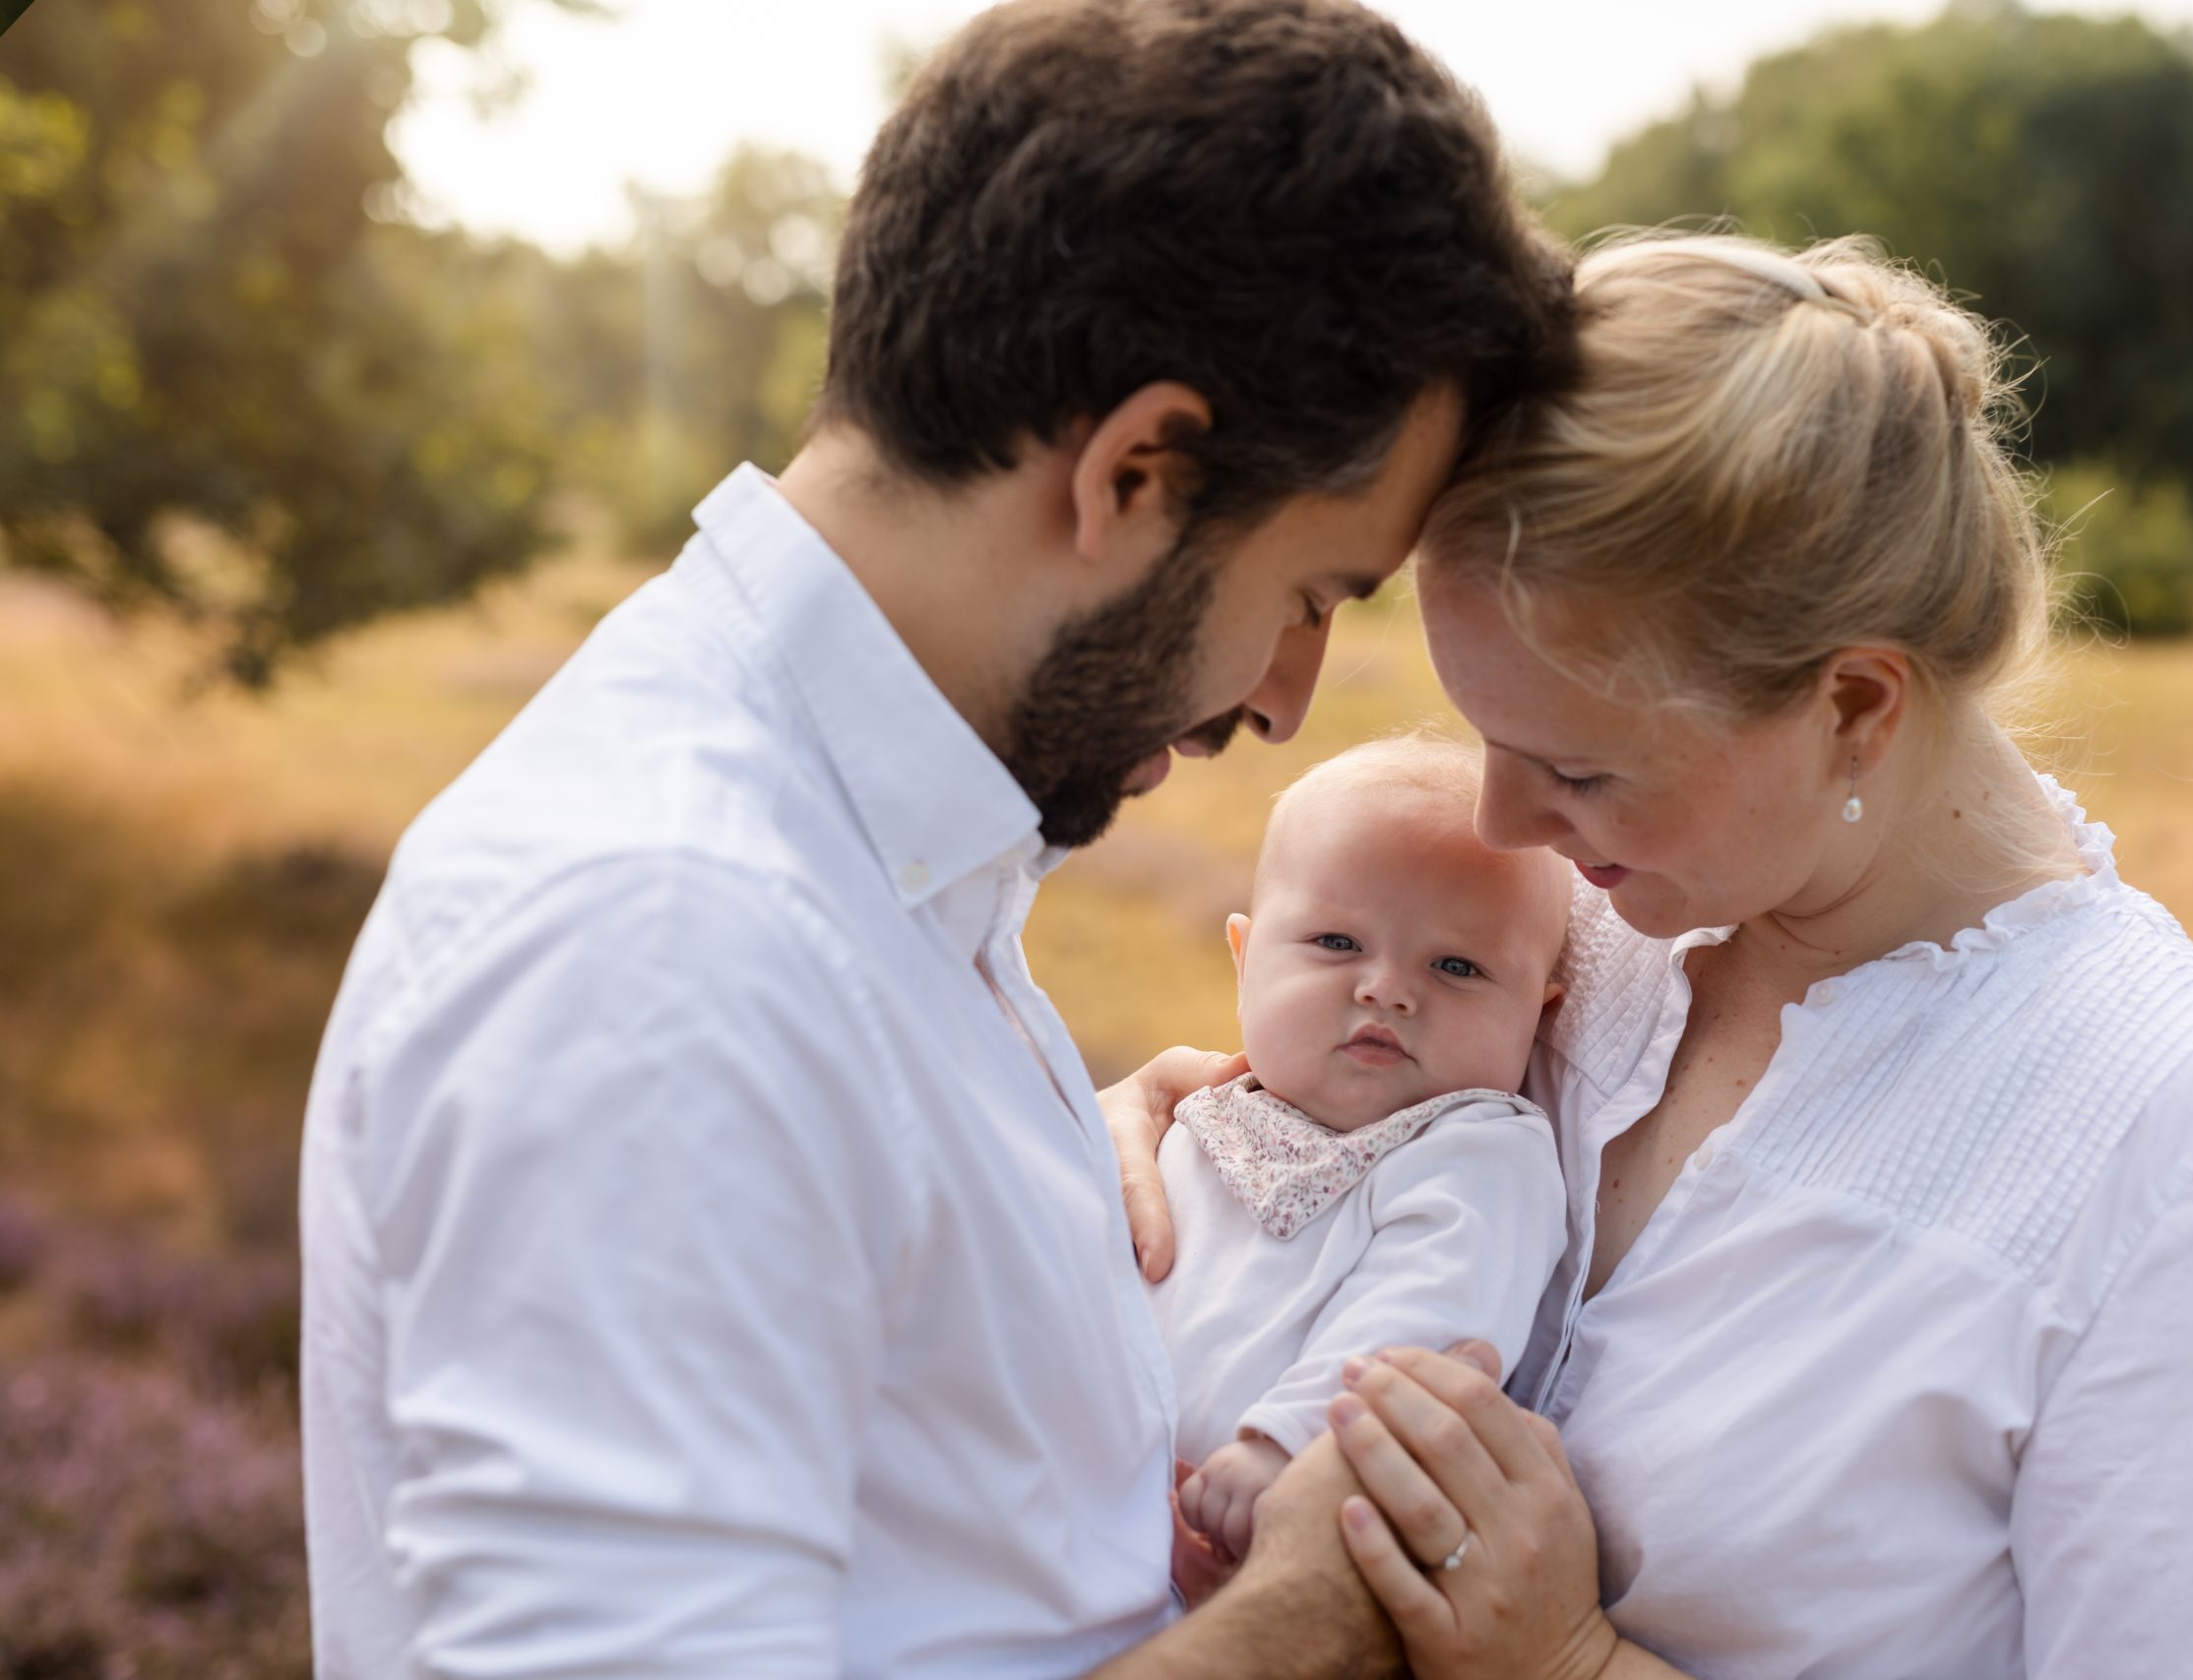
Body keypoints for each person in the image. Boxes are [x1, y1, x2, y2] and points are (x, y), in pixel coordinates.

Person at [293, 1, 1574, 1674]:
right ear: (1137, 473)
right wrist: (1309, 1615)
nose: (1283, 698)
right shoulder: (665, 946)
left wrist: (1082, 1207)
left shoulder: (853, 857)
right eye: (1309, 594)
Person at [1107, 234, 2193, 1678]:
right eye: (1487, 738)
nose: (1500, 818)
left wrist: (1574, 1659)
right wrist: (1166, 1142)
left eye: (1577, 767)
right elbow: (1325, 1150)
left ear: (1852, 702)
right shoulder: (1560, 925)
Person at [1152, 734, 1570, 1564]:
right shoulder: (1199, 1117)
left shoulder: (1479, 1149)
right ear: (1244, 960)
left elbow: (1429, 1310)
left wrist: (1291, 1443)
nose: (1386, 988)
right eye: (1337, 943)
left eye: (1456, 964)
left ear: (1540, 1013)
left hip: (1276, 1522)